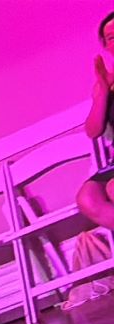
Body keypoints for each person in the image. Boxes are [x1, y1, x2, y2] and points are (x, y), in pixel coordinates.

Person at [78, 12, 114, 229]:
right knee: (87, 197)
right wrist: (102, 91)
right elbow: (93, 130)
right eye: (111, 37)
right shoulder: (105, 84)